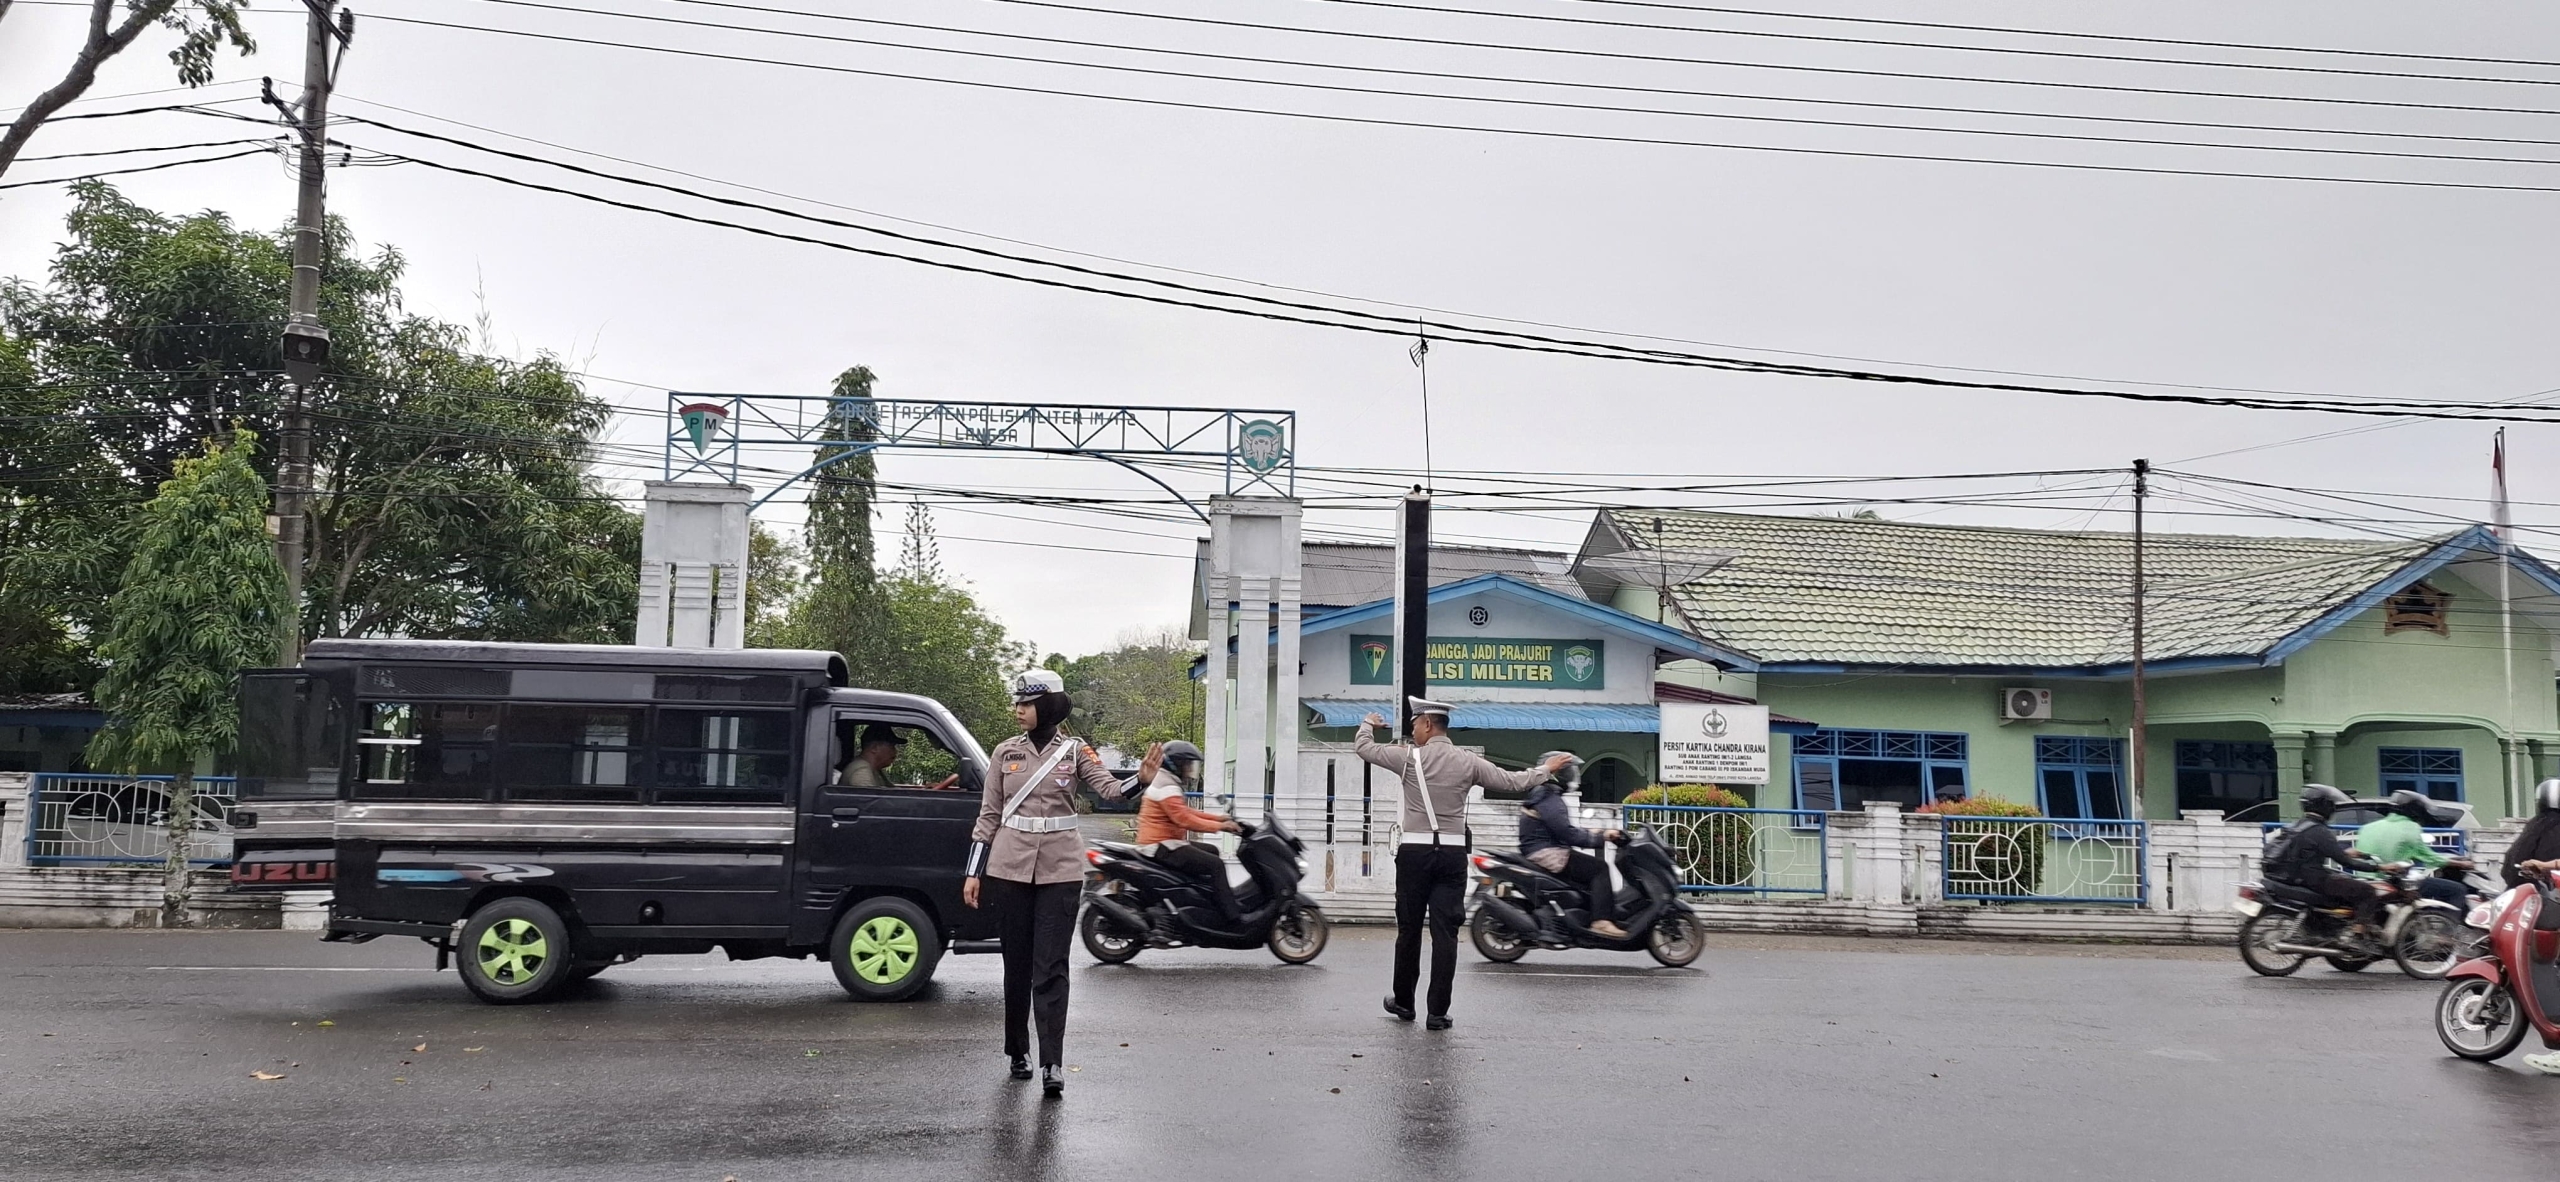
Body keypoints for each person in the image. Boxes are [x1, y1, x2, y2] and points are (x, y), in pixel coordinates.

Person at [963, 669, 1155, 1097]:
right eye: (1017, 702)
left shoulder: (1073, 751)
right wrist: (973, 871)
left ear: (1047, 707)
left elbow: (1110, 790)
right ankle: (1018, 1051)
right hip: (1009, 869)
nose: (1018, 709)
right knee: (1017, 964)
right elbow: (988, 817)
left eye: (1027, 703)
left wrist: (1140, 780)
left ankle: (1052, 1062)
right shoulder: (1003, 753)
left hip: (1060, 870)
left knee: (1051, 967)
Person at [1358, 698, 1572, 1031]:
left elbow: (1365, 749)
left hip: (1414, 855)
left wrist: (1368, 723)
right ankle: (1437, 1013)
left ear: (1428, 724)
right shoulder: (1468, 762)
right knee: (1445, 934)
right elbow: (1514, 782)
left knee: (1409, 931)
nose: (1413, 731)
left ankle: (1403, 1002)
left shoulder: (1408, 759)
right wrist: (1547, 770)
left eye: (1415, 724)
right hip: (1452, 856)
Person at [1516, 758, 1627, 939]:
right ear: (1559, 775)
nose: (1574, 776)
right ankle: (1601, 921)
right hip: (1548, 852)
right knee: (1600, 869)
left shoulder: (1544, 795)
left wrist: (1593, 833)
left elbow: (1560, 829)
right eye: (1570, 771)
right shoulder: (1549, 798)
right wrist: (1598, 837)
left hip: (1543, 848)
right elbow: (1567, 834)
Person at [1135, 739, 1244, 921]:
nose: (1190, 770)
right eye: (1187, 765)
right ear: (1175, 764)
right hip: (1161, 845)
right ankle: (1232, 915)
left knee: (1212, 851)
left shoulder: (1166, 781)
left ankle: (1202, 900)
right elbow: (1184, 819)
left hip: (1167, 842)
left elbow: (1185, 812)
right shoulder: (1166, 786)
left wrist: (1219, 819)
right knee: (1215, 865)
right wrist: (1221, 826)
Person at [2262, 783, 2387, 937]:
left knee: (2342, 880)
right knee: (2367, 890)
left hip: (2294, 877)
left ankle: (2334, 927)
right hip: (2312, 879)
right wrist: (2378, 868)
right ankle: (2358, 935)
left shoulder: (2296, 825)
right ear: (2325, 806)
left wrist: (2346, 852)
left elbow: (2314, 851)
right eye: (2331, 804)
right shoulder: (2320, 831)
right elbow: (2346, 863)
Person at [2352, 789, 2473, 909]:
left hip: (2366, 880)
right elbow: (2430, 858)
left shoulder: (2368, 827)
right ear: (2415, 809)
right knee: (2457, 889)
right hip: (2394, 881)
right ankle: (2448, 926)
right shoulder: (2411, 828)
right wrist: (2461, 864)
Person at [2500, 778, 2560, 890]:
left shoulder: (2534, 825)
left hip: (2521, 890)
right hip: (2548, 893)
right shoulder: (2542, 826)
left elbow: (2509, 865)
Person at [836, 723, 903, 788]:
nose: (895, 751)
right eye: (891, 746)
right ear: (874, 748)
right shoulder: (862, 772)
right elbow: (871, 799)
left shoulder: (875, 769)